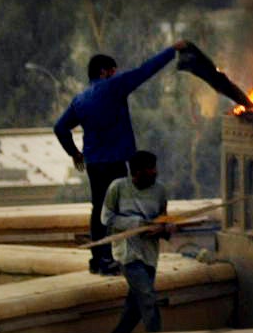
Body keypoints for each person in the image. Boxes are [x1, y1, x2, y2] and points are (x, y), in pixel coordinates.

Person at [53, 43, 190, 274]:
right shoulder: (114, 87)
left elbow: (60, 127)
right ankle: (111, 259)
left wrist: (74, 153)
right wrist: (171, 50)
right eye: (113, 71)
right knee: (116, 211)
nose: (116, 74)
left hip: (94, 163)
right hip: (115, 161)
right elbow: (145, 70)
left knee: (99, 208)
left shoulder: (80, 100)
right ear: (105, 71)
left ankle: (98, 259)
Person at [102, 149, 169, 333]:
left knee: (135, 307)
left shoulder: (160, 190)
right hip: (127, 253)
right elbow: (106, 218)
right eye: (150, 168)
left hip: (149, 253)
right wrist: (138, 224)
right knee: (148, 297)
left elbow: (163, 218)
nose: (155, 172)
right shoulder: (118, 188)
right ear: (137, 172)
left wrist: (162, 228)